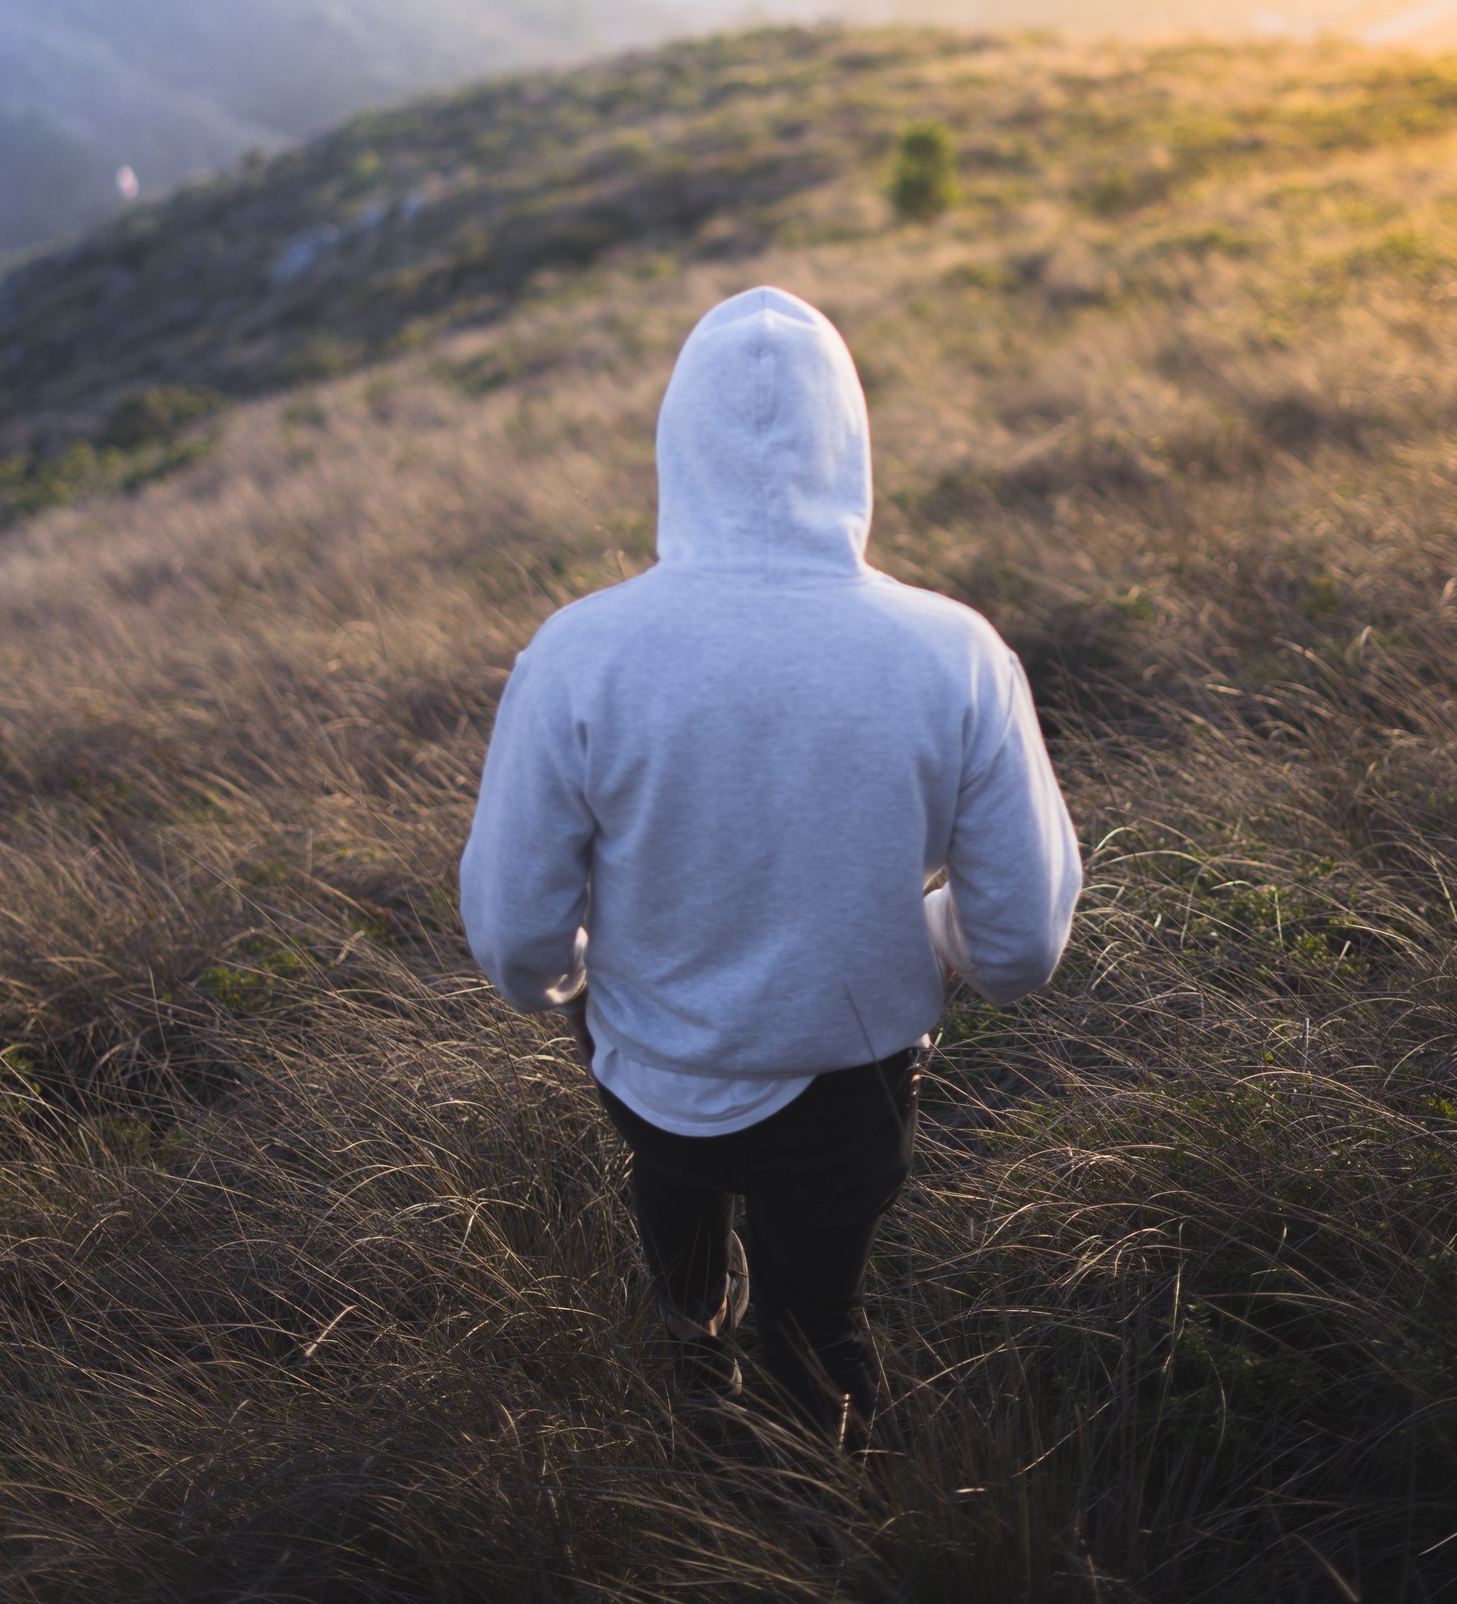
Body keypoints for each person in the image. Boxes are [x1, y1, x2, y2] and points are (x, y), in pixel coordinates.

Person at [460, 285, 1082, 1444]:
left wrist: (586, 984)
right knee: (819, 1329)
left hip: (644, 1068)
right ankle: (808, 1530)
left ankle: (688, 1336)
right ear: (849, 443)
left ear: (675, 447)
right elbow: (1025, 942)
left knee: (678, 1179)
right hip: (847, 1087)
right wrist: (935, 944)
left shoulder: (579, 655)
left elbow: (511, 936)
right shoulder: (952, 654)